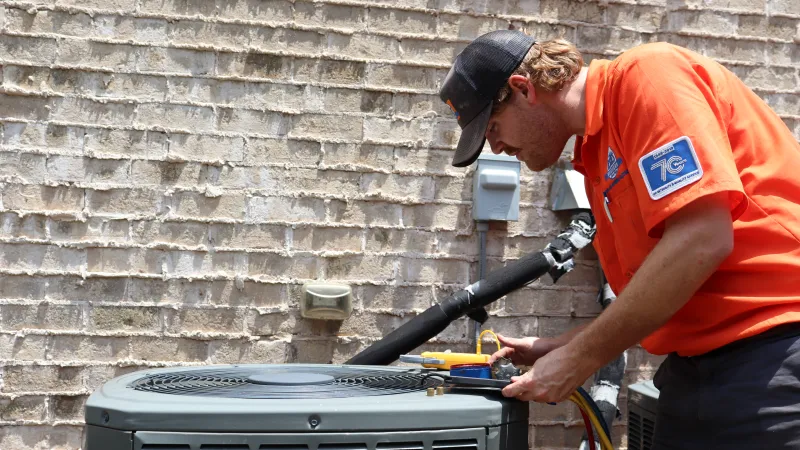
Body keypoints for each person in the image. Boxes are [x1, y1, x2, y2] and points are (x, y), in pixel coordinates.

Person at [438, 29, 800, 448]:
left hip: (775, 360)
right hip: (697, 371)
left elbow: (703, 237)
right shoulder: (595, 156)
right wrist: (559, 345)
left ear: (523, 89)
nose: (496, 148)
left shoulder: (648, 77)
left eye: (494, 127)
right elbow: (660, 290)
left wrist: (578, 358)